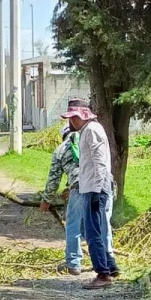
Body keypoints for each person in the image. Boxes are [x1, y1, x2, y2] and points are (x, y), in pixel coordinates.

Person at [60, 98, 119, 288]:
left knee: (93, 233)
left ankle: (102, 274)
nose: (72, 121)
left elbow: (100, 162)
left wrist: (96, 190)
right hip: (91, 187)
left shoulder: (92, 130)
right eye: (70, 118)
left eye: (74, 117)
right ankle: (110, 266)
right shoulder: (86, 131)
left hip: (95, 188)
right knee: (95, 229)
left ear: (83, 115)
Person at [40, 122, 84, 275]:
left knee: (73, 225)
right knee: (100, 225)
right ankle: (106, 264)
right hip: (103, 186)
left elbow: (53, 180)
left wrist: (46, 201)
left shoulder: (61, 149)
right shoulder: (89, 140)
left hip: (81, 188)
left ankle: (73, 263)